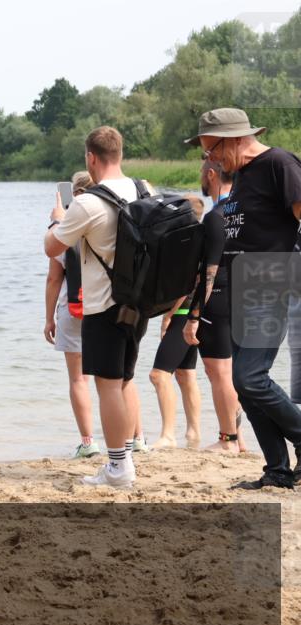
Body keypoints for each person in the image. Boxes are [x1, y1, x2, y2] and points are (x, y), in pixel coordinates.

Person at [185, 108, 301, 489]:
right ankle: (278, 470)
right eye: (207, 154)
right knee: (243, 383)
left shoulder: (278, 164)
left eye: (212, 150)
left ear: (235, 138)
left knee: (250, 378)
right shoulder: (244, 175)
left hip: (270, 282)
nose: (211, 161)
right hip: (241, 289)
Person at [44, 126, 148, 488]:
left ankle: (118, 467)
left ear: (90, 158)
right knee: (125, 382)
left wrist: (58, 217)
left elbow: (52, 248)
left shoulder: (87, 203)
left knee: (107, 386)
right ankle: (129, 456)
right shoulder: (143, 189)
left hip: (103, 306)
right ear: (119, 154)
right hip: (139, 305)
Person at [183, 160, 247, 453]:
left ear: (211, 174)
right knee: (232, 371)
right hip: (245, 295)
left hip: (218, 296)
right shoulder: (244, 211)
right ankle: (239, 437)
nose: (201, 178)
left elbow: (208, 272)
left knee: (218, 371)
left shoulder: (216, 216)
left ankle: (228, 439)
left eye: (202, 173)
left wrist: (193, 315)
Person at [44, 171, 98, 458]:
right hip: (108, 307)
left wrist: (48, 318)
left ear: (73, 196)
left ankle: (88, 443)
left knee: (79, 380)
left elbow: (54, 279)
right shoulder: (108, 218)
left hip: (75, 309)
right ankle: (135, 438)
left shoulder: (64, 229)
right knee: (120, 378)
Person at [147, 195, 205, 451]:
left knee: (159, 375)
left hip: (184, 313)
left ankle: (168, 435)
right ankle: (193, 434)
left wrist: (169, 314)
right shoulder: (203, 237)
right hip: (196, 312)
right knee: (185, 374)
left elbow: (188, 281)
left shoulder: (188, 241)